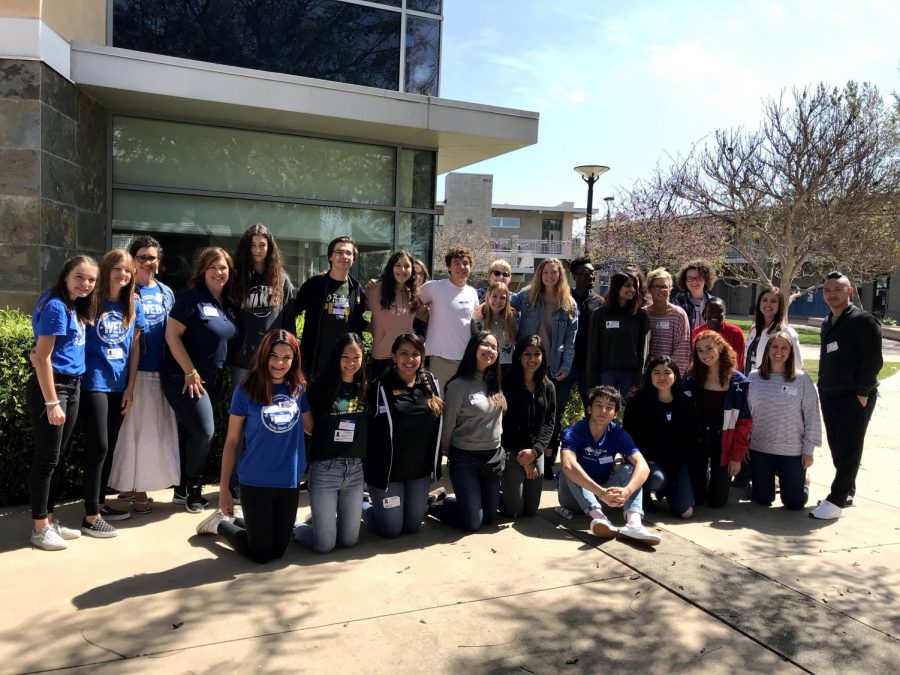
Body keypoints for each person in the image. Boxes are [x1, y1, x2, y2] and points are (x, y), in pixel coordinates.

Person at [195, 330, 313, 563]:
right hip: (255, 480)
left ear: (294, 359)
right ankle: (219, 523)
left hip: (288, 480)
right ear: (263, 355)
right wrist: (224, 488)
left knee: (278, 551)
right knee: (260, 554)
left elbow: (311, 427)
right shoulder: (246, 390)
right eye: (274, 356)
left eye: (286, 357)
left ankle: (242, 520)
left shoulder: (298, 389)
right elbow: (232, 441)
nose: (279, 363)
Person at [26, 255, 99, 550]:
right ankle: (39, 527)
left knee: (57, 458)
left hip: (73, 385)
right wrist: (51, 402)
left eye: (91, 280)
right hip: (55, 388)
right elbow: (42, 358)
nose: (86, 284)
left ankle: (49, 520)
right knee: (47, 460)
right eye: (79, 277)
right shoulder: (57, 305)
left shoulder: (71, 304)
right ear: (66, 275)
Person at [161, 247, 239, 513]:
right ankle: (194, 489)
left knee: (191, 432)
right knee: (205, 432)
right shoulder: (190, 299)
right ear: (203, 271)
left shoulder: (227, 304)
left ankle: (181, 489)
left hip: (213, 379)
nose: (219, 272)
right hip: (184, 378)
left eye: (224, 267)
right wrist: (189, 371)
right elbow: (172, 335)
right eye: (213, 267)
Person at [108, 236, 180, 514]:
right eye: (142, 258)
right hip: (132, 373)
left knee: (151, 433)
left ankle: (136, 485)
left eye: (153, 258)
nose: (148, 263)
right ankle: (135, 489)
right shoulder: (125, 289)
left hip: (160, 371)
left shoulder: (165, 292)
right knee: (132, 434)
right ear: (132, 261)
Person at [78, 249, 147, 533]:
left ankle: (100, 503)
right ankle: (91, 515)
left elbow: (134, 350)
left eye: (128, 270)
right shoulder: (90, 301)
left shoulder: (133, 305)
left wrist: (131, 387)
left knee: (109, 447)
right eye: (118, 268)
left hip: (120, 384)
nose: (123, 274)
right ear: (107, 270)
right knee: (99, 445)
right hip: (93, 381)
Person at [809, 272, 882, 520]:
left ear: (849, 291)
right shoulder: (828, 321)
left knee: (850, 447)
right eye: (827, 289)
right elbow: (826, 356)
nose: (832, 293)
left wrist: (863, 392)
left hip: (854, 396)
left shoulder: (864, 321)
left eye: (838, 289)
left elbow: (874, 361)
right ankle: (847, 491)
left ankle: (836, 499)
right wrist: (821, 385)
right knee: (837, 447)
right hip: (830, 393)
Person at [557, 386, 661, 545]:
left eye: (609, 408)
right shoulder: (575, 431)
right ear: (589, 408)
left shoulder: (618, 434)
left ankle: (634, 524)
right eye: (598, 405)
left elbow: (643, 466)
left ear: (615, 414)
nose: (603, 411)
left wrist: (627, 491)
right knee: (570, 468)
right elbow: (568, 465)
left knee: (630, 469)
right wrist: (601, 492)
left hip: (604, 497)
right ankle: (599, 519)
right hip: (573, 499)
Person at [363, 333, 443, 538]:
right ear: (394, 357)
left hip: (418, 472)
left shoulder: (431, 383)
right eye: (404, 354)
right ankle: (361, 505)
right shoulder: (380, 386)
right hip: (388, 475)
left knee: (412, 526)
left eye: (415, 354)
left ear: (422, 357)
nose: (409, 359)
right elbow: (367, 430)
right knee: (392, 530)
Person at [294, 333, 368, 552]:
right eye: (346, 357)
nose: (351, 363)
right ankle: (296, 527)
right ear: (337, 357)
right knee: (324, 545)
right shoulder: (319, 387)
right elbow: (309, 428)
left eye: (356, 357)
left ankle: (323, 518)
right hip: (325, 470)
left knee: (349, 540)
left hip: (355, 471)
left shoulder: (365, 387)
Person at [429, 331, 506, 532]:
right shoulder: (457, 385)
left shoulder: (495, 381)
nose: (490, 350)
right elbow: (448, 426)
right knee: (473, 522)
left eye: (494, 347)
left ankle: (462, 502)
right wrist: (447, 454)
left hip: (492, 458)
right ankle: (434, 504)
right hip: (465, 459)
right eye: (485, 345)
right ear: (473, 347)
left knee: (489, 517)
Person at [510, 257, 578, 478]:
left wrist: (566, 365)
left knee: (552, 416)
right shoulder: (528, 297)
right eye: (546, 272)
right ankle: (521, 454)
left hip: (554, 365)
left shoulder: (568, 303)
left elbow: (570, 340)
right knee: (526, 412)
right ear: (540, 274)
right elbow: (503, 300)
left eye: (554, 272)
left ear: (561, 276)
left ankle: (547, 459)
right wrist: (482, 305)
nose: (550, 276)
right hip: (528, 363)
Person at [748, 332, 821, 510]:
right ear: (768, 350)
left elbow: (812, 415)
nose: (779, 351)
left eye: (784, 348)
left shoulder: (801, 379)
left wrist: (808, 450)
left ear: (791, 351)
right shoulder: (754, 377)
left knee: (794, 502)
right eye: (774, 346)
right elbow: (745, 415)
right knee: (762, 499)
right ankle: (764, 481)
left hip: (792, 451)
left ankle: (802, 481)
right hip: (760, 449)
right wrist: (744, 443)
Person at [683, 331, 752, 508]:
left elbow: (744, 423)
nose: (705, 354)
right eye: (699, 350)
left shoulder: (739, 383)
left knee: (717, 502)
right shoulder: (691, 379)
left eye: (709, 348)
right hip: (698, 439)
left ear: (720, 347)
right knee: (697, 500)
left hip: (723, 440)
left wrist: (736, 458)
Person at [622, 356, 698, 519]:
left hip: (676, 463)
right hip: (648, 462)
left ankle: (670, 489)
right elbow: (628, 434)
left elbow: (692, 437)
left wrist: (681, 464)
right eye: (656, 373)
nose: (662, 377)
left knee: (686, 512)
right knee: (657, 479)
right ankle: (644, 493)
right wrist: (644, 459)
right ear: (649, 376)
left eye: (667, 372)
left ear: (675, 375)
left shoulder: (685, 403)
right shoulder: (637, 401)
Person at [231, 223, 296, 386]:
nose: (257, 250)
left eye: (262, 245)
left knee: (272, 408)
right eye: (252, 245)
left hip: (274, 361)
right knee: (242, 409)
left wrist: (288, 353)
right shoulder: (237, 278)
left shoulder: (281, 280)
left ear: (270, 247)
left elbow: (289, 321)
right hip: (243, 361)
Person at [294, 235, 367, 380]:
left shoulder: (356, 289)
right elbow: (293, 311)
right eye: (339, 252)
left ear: (353, 259)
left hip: (344, 366)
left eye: (348, 253)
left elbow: (359, 323)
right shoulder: (314, 284)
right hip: (315, 363)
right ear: (330, 256)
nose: (344, 256)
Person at [500, 336, 556, 518]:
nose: (532, 359)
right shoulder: (506, 383)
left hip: (534, 451)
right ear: (518, 356)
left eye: (537, 354)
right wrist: (524, 459)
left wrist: (535, 452)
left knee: (531, 510)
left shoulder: (548, 386)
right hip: (511, 450)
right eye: (527, 354)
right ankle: (491, 497)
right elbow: (506, 423)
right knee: (515, 511)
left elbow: (549, 422)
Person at [416, 247, 479, 390]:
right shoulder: (435, 287)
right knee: (438, 402)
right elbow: (411, 300)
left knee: (459, 404)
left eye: (465, 263)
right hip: (439, 358)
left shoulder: (472, 293)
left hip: (465, 359)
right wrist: (425, 316)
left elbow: (475, 323)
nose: (461, 267)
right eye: (456, 263)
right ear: (449, 267)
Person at [586, 269, 649, 401]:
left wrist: (638, 378)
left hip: (631, 374)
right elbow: (593, 348)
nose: (632, 289)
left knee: (630, 414)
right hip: (606, 372)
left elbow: (644, 349)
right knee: (606, 410)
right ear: (616, 286)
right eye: (627, 285)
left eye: (634, 286)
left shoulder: (641, 315)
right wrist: (592, 381)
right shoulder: (600, 314)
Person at [365, 250, 419, 380]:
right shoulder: (375, 289)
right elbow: (357, 307)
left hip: (407, 356)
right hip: (383, 356)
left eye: (407, 266)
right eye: (398, 265)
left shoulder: (413, 293)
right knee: (381, 397)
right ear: (391, 267)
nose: (402, 270)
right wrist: (373, 330)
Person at [564, 256, 604, 415]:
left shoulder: (600, 303)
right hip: (566, 365)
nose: (591, 276)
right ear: (574, 276)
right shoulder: (565, 300)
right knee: (557, 406)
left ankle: (592, 439)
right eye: (586, 273)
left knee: (591, 408)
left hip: (589, 367)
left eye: (593, 273)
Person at [744, 286, 803, 375]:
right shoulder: (754, 329)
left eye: (773, 301)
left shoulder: (787, 332)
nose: (768, 304)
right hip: (750, 381)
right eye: (764, 300)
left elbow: (797, 365)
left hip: (772, 384)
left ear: (780, 305)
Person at [645, 268, 691, 375]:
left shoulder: (678, 314)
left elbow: (682, 349)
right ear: (650, 289)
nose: (661, 290)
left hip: (668, 375)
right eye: (657, 286)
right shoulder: (643, 314)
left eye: (665, 287)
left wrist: (669, 374)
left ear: (670, 289)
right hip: (645, 375)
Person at [471, 281, 518, 369]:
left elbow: (515, 340)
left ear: (507, 300)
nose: (498, 300)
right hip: (484, 364)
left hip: (506, 365)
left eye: (503, 297)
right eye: (494, 296)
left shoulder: (511, 318)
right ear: (488, 297)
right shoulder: (479, 318)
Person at [691, 298, 746, 372]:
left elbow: (739, 362)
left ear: (725, 314)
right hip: (703, 375)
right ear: (704, 313)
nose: (715, 314)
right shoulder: (697, 332)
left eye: (719, 311)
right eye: (711, 310)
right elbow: (695, 358)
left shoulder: (736, 332)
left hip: (728, 376)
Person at [673, 260, 718, 332]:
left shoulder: (714, 302)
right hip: (686, 343)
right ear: (685, 281)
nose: (694, 282)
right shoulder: (679, 300)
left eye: (699, 278)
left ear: (706, 280)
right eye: (690, 278)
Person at [412, 258, 430, 339]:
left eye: (421, 274)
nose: (417, 277)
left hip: (423, 345)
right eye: (414, 273)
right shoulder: (400, 295)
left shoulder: (430, 296)